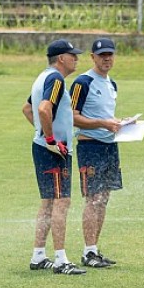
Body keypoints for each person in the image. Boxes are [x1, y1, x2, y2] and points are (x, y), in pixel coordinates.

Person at [23, 39, 85, 275]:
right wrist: (50, 140)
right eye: (73, 55)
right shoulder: (56, 79)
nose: (76, 59)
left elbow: (27, 109)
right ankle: (61, 259)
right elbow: (42, 109)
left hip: (43, 147)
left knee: (48, 202)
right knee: (61, 202)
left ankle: (38, 255)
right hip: (54, 151)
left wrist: (41, 134)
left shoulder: (42, 77)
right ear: (61, 58)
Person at [70, 38, 123, 269]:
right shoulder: (82, 82)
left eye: (110, 54)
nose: (107, 59)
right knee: (94, 199)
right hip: (90, 147)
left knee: (104, 199)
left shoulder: (112, 84)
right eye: (102, 55)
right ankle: (88, 251)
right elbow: (72, 116)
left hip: (110, 146)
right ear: (93, 57)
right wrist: (102, 123)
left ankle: (94, 249)